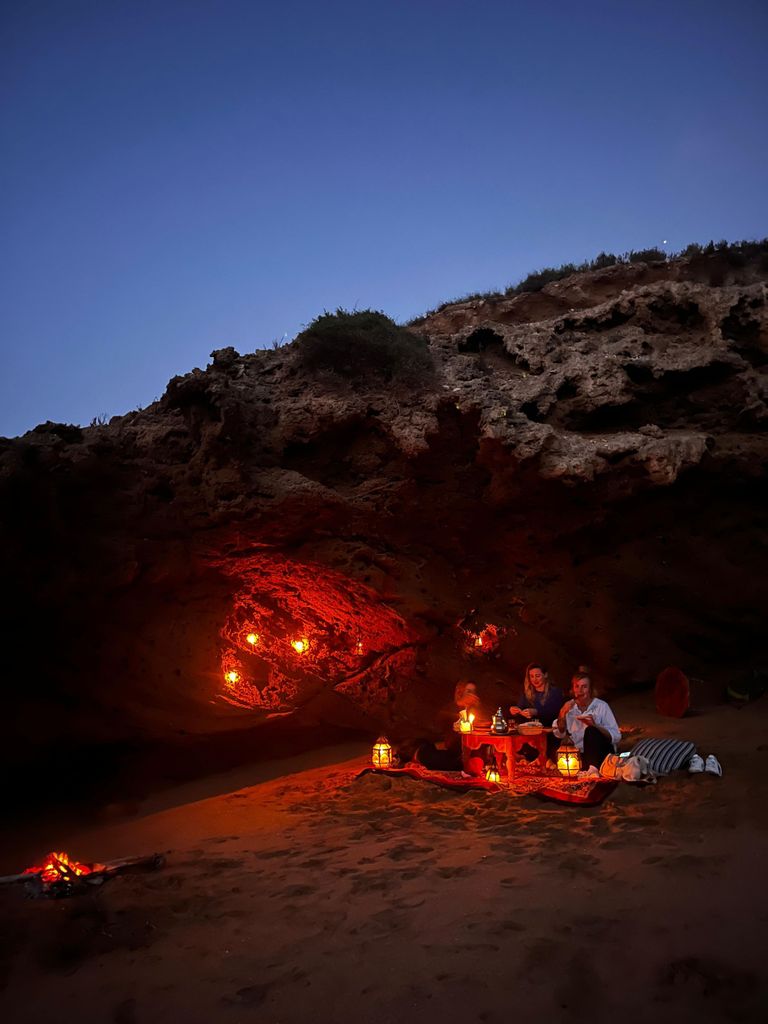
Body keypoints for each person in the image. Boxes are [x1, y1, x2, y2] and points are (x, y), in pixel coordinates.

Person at [553, 672, 621, 770]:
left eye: (584, 687)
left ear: (590, 689)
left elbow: (616, 736)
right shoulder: (570, 707)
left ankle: (593, 771)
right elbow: (560, 733)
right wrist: (562, 713)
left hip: (601, 752)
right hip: (581, 754)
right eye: (577, 686)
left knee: (591, 731)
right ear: (573, 689)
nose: (580, 690)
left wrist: (594, 725)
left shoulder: (601, 706)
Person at [509, 663, 564, 762]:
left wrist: (536, 712)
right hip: (531, 729)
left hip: (549, 729)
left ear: (545, 675)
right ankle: (521, 755)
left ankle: (541, 758)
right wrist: (515, 710)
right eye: (531, 676)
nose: (535, 679)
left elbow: (555, 712)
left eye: (538, 676)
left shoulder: (555, 692)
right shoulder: (527, 692)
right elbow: (520, 707)